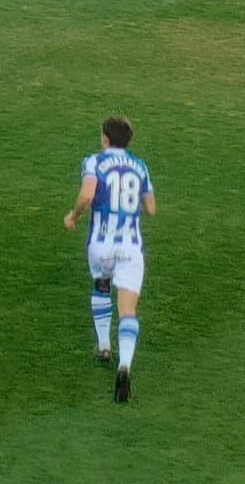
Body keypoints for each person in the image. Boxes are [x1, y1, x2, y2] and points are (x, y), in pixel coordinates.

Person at [65, 116, 156, 403]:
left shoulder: (94, 162)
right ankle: (124, 365)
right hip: (130, 246)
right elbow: (151, 208)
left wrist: (74, 215)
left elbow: (88, 195)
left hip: (101, 243)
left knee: (101, 285)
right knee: (128, 309)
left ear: (105, 138)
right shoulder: (140, 166)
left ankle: (104, 345)